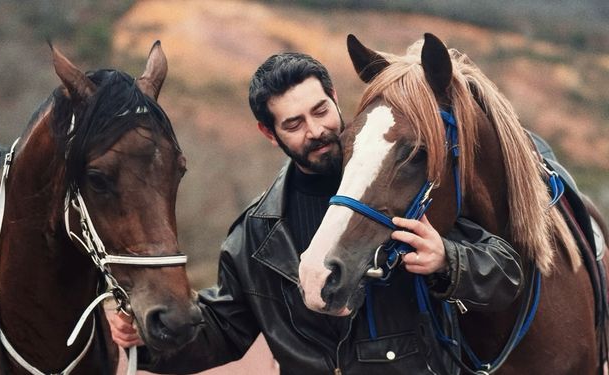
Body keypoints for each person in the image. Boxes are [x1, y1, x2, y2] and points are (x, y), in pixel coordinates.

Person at [106, 52, 522, 374]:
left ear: (335, 98)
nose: (316, 130)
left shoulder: (399, 180)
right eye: (294, 124)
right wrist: (144, 338)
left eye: (320, 110)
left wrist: (448, 259)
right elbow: (223, 331)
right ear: (270, 134)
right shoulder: (257, 232)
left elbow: (506, 273)